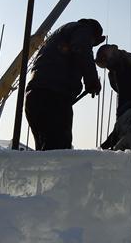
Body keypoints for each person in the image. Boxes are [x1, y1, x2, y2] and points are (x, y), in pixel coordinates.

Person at [25, 19, 104, 150]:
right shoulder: (82, 30)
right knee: (58, 151)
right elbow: (81, 48)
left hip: (35, 95)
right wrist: (92, 81)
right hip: (53, 96)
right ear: (95, 36)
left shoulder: (60, 35)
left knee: (44, 151)